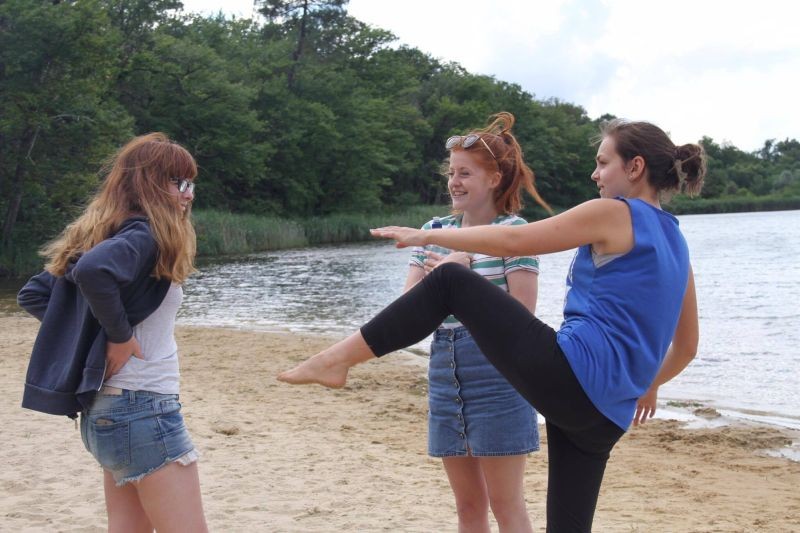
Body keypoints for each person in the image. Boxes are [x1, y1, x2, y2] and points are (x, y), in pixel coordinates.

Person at [278, 118, 705, 532]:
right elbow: (686, 347)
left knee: (450, 280)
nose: (595, 174)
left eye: (603, 162)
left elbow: (516, 240)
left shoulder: (615, 213)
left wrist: (429, 236)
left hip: (574, 378)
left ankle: (336, 361)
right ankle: (336, 361)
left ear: (635, 167)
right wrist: (647, 383)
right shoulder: (677, 242)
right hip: (608, 414)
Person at [18, 133, 208, 532]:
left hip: (106, 412)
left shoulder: (107, 234)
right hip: (142, 408)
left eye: (191, 183)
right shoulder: (144, 235)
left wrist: (94, 335)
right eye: (179, 182)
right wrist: (118, 336)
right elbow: (92, 272)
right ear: (148, 183)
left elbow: (36, 293)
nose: (188, 194)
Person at [404, 112, 547, 532]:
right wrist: (439, 278)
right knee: (468, 507)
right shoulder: (434, 230)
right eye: (452, 173)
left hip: (498, 371)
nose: (454, 182)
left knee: (506, 505)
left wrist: (462, 280)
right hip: (444, 371)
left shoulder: (514, 231)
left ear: (494, 178)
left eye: (465, 173)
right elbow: (408, 309)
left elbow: (522, 316)